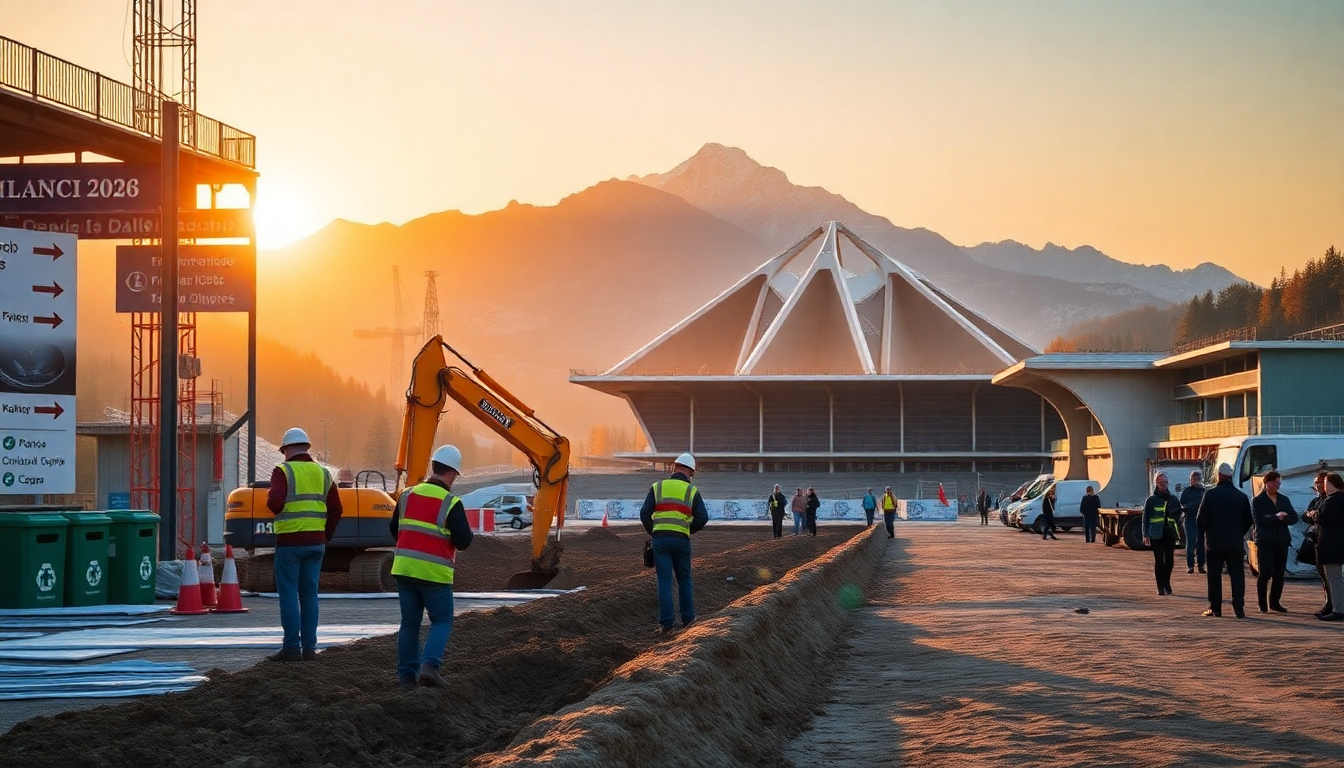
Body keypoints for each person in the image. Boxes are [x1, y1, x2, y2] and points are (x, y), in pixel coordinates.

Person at [389, 444, 474, 689]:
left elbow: (394, 529)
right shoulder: (450, 502)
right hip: (434, 574)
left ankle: (406, 677)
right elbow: (464, 541)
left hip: (404, 570)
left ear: (433, 467)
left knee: (409, 624)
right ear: (452, 474)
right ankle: (430, 666)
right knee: (442, 620)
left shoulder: (406, 495)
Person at [265, 427, 343, 662]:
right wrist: (325, 536)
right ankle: (309, 649)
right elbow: (337, 509)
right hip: (316, 544)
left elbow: (275, 503)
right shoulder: (324, 473)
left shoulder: (283, 471)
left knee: (289, 595)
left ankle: (291, 648)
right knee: (309, 596)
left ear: (286, 449)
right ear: (306, 447)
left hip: (290, 543)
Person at [640, 453, 709, 635]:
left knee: (664, 581)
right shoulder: (692, 491)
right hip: (681, 541)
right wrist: (687, 529)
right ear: (689, 471)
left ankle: (667, 625)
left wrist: (653, 531)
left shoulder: (658, 487)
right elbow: (703, 517)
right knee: (684, 579)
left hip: (660, 540)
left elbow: (644, 513)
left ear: (674, 467)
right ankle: (688, 621)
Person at [1197, 463, 1254, 618]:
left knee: (1214, 575)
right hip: (1235, 542)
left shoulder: (1210, 495)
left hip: (1214, 543)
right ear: (1230, 476)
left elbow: (1200, 520)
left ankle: (1216, 608)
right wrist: (1239, 532)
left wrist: (1206, 533)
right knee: (1237, 574)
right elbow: (1249, 520)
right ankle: (1239, 608)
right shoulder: (1241, 497)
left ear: (1219, 475)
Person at [1251, 470, 1298, 613]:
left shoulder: (1284, 499)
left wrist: (1284, 517)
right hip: (1266, 540)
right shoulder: (1258, 501)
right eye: (1275, 482)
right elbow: (1260, 520)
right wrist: (1276, 517)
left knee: (1279, 573)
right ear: (1267, 483)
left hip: (1282, 540)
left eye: (1279, 482)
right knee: (1265, 573)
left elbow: (1294, 517)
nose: (1277, 484)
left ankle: (1275, 602)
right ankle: (1262, 603)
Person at [1314, 472, 1344, 623]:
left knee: (1334, 578)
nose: (1324, 486)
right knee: (1334, 577)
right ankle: (1337, 607)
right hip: (1335, 545)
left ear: (1332, 484)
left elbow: (1323, 517)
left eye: (1325, 482)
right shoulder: (1338, 499)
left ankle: (1339, 609)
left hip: (1332, 546)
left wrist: (1314, 515)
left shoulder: (1334, 500)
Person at [1141, 473, 1178, 594]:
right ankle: (1160, 587)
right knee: (1159, 560)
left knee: (1169, 561)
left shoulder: (1173, 498)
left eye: (1165, 482)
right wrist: (1145, 534)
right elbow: (1145, 518)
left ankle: (1166, 582)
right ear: (1156, 483)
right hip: (1156, 534)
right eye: (1161, 483)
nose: (1164, 485)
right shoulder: (1151, 500)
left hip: (1169, 533)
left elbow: (1178, 514)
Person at [1302, 472, 1332, 617]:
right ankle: (1328, 603)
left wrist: (1314, 515)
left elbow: (1322, 517)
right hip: (1316, 541)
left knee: (1330, 577)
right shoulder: (1316, 500)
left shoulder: (1331, 500)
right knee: (1322, 575)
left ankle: (1332, 605)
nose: (1317, 486)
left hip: (1327, 543)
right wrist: (1310, 515)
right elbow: (1305, 515)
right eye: (1315, 483)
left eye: (1319, 483)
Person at [1180, 470, 1208, 574]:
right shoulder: (1186, 491)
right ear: (1190, 480)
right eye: (1194, 478)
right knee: (1190, 543)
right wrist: (1194, 504)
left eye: (1198, 478)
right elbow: (1182, 505)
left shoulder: (1204, 491)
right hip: (1190, 519)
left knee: (1201, 544)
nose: (1196, 480)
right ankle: (1190, 566)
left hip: (1201, 521)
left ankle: (1201, 565)